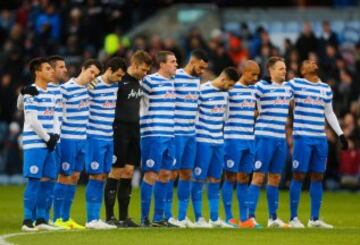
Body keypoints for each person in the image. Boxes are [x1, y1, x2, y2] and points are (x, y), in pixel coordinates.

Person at [288, 60, 348, 228]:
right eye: (308, 62)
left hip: (320, 138)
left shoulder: (326, 88)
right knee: (299, 175)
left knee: (318, 176)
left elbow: (329, 113)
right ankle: (293, 218)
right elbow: (281, 93)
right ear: (302, 70)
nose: (313, 63)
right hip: (302, 137)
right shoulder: (296, 84)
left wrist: (340, 134)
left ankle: (314, 219)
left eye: (314, 61)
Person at [104, 51, 152, 227]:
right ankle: (110, 217)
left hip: (134, 130)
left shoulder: (140, 83)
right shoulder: (119, 81)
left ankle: (124, 217)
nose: (145, 73)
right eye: (144, 70)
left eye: (147, 71)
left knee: (129, 172)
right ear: (135, 64)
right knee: (116, 171)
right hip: (119, 130)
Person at [53, 59, 102, 229]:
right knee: (64, 176)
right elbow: (56, 113)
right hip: (67, 139)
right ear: (83, 69)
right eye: (91, 72)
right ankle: (57, 218)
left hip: (83, 139)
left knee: (75, 177)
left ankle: (66, 218)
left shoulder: (90, 91)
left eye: (96, 74)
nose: (93, 76)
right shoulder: (65, 89)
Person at [164, 49, 209, 227]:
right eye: (201, 67)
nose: (202, 71)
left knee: (187, 173)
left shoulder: (196, 80)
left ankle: (182, 217)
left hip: (191, 134)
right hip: (176, 133)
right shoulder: (176, 76)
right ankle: (167, 215)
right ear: (193, 61)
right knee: (171, 173)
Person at [191, 67, 239, 228]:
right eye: (230, 85)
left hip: (219, 141)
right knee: (199, 178)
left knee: (215, 179)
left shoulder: (226, 95)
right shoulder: (201, 91)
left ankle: (214, 218)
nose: (231, 88)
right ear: (223, 79)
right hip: (203, 140)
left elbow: (225, 117)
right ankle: (198, 218)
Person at [247, 56, 292, 228]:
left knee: (275, 178)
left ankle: (273, 218)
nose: (284, 71)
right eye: (281, 68)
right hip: (263, 138)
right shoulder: (261, 87)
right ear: (271, 71)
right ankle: (250, 217)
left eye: (285, 68)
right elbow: (246, 97)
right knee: (258, 177)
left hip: (280, 139)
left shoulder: (288, 89)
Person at [84, 57, 127, 229]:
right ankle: (91, 219)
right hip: (94, 137)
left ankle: (96, 218)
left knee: (102, 176)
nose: (119, 79)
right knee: (95, 175)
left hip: (109, 137)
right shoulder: (93, 84)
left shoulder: (116, 86)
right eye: (117, 75)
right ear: (108, 70)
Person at [140, 51, 178, 227]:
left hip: (170, 134)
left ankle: (159, 218)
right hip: (153, 134)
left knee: (165, 174)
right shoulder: (149, 81)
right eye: (172, 61)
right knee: (151, 173)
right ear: (162, 64)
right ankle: (145, 218)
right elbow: (136, 100)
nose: (176, 64)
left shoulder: (172, 83)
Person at [21, 57, 60, 231]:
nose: (52, 71)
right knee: (34, 180)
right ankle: (27, 221)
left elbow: (55, 116)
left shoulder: (52, 92)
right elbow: (31, 118)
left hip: (49, 143)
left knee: (49, 179)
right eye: (48, 69)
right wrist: (47, 138)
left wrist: (55, 137)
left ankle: (42, 219)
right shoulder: (30, 91)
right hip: (35, 143)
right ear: (38, 72)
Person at [222, 60, 260, 228]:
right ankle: (229, 218)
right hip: (232, 139)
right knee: (230, 176)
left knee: (244, 178)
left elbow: (255, 111)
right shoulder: (231, 91)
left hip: (249, 139)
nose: (256, 78)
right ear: (244, 72)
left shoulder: (254, 91)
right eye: (253, 74)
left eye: (258, 75)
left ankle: (245, 219)